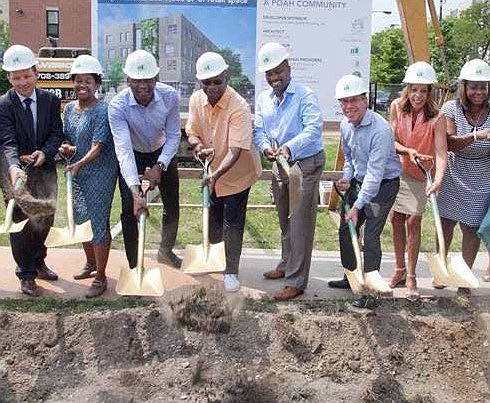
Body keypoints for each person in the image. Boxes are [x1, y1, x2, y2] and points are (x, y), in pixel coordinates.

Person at [254, 42, 325, 301]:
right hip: (279, 165)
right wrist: (265, 148)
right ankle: (286, 265)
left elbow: (313, 130)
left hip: (303, 164)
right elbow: (259, 130)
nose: (274, 77)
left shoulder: (305, 96)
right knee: (284, 219)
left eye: (278, 71)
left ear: (288, 67)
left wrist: (287, 148)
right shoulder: (264, 100)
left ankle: (296, 281)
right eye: (269, 73)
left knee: (300, 224)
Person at [186, 52, 261, 292]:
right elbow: (192, 131)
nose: (212, 87)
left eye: (217, 81)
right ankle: (216, 260)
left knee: (232, 221)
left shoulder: (238, 106)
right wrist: (197, 146)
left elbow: (236, 151)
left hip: (237, 174)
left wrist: (215, 175)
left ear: (226, 77)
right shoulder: (196, 100)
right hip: (213, 171)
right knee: (213, 218)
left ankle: (231, 271)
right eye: (206, 82)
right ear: (200, 83)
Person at [329, 74, 401, 309]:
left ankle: (371, 291)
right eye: (344, 102)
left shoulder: (380, 130)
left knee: (370, 234)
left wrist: (358, 206)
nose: (348, 107)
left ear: (365, 100)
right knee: (345, 230)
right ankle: (351, 276)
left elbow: (375, 174)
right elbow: (350, 159)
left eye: (354, 100)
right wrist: (347, 179)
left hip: (383, 186)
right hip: (359, 182)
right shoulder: (345, 124)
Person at [108, 49, 182, 269]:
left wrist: (160, 166)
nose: (143, 86)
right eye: (137, 80)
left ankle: (165, 251)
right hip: (134, 153)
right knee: (130, 208)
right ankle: (134, 265)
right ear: (128, 80)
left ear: (156, 78)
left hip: (162, 151)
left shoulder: (169, 96)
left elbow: (174, 135)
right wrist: (134, 190)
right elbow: (123, 150)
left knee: (172, 203)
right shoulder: (117, 106)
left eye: (148, 80)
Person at [0, 45, 63, 296]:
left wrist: (44, 153)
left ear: (36, 73)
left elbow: (56, 133)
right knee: (21, 222)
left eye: (26, 75)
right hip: (15, 174)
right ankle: (26, 274)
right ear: (8, 78)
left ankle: (38, 261)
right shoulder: (3, 104)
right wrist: (15, 166)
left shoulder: (50, 100)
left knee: (45, 218)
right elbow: (6, 140)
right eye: (16, 77)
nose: (22, 82)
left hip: (45, 170)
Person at [58, 55, 118, 298]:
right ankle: (90, 263)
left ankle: (101, 276)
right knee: (82, 218)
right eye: (78, 80)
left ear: (97, 84)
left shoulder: (103, 109)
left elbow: (99, 146)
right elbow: (68, 139)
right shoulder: (69, 109)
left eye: (88, 81)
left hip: (100, 172)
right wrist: (66, 148)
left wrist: (79, 163)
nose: (82, 85)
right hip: (77, 171)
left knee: (97, 220)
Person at [387, 62, 447, 301]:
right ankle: (399, 269)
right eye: (414, 90)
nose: (418, 96)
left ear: (430, 92)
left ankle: (411, 275)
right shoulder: (396, 107)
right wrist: (408, 151)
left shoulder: (437, 117)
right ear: (407, 89)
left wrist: (439, 179)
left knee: (414, 221)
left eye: (423, 91)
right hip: (399, 169)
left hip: (423, 174)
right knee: (396, 218)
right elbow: (390, 141)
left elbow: (441, 152)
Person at [437, 58, 490, 297]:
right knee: (446, 223)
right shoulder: (451, 108)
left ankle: (464, 278)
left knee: (471, 228)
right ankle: (442, 270)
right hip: (453, 171)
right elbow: (450, 142)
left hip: (482, 175)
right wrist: (479, 136)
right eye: (473, 87)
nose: (478, 92)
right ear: (464, 88)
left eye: (483, 87)